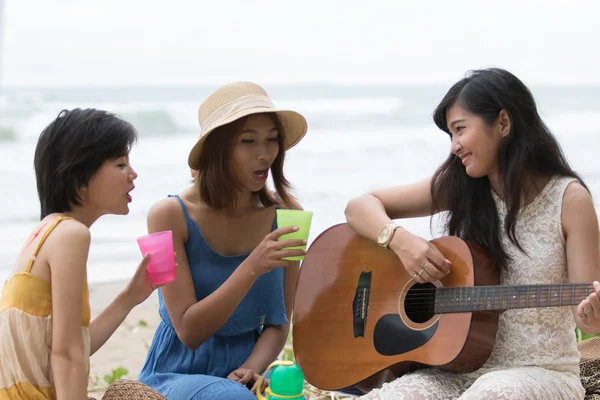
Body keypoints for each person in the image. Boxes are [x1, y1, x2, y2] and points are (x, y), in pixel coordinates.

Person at [344, 68, 600, 400]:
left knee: (493, 392)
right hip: (457, 369)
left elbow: (590, 316)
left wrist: (591, 314)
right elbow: (358, 206)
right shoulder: (461, 187)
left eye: (460, 130)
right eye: (450, 134)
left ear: (504, 123)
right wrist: (401, 241)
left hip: (543, 372)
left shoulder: (570, 198)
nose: (454, 146)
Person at [138, 81, 309, 400]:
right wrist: (252, 266)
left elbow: (279, 323)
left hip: (249, 370)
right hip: (176, 372)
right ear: (218, 149)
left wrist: (251, 368)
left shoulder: (290, 216)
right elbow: (188, 332)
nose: (264, 154)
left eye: (272, 140)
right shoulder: (163, 217)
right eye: (248, 141)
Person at [0, 108, 165, 399]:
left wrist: (129, 297)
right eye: (120, 163)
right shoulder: (71, 235)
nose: (133, 173)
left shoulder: (44, 234)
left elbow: (71, 346)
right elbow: (66, 356)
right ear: (80, 174)